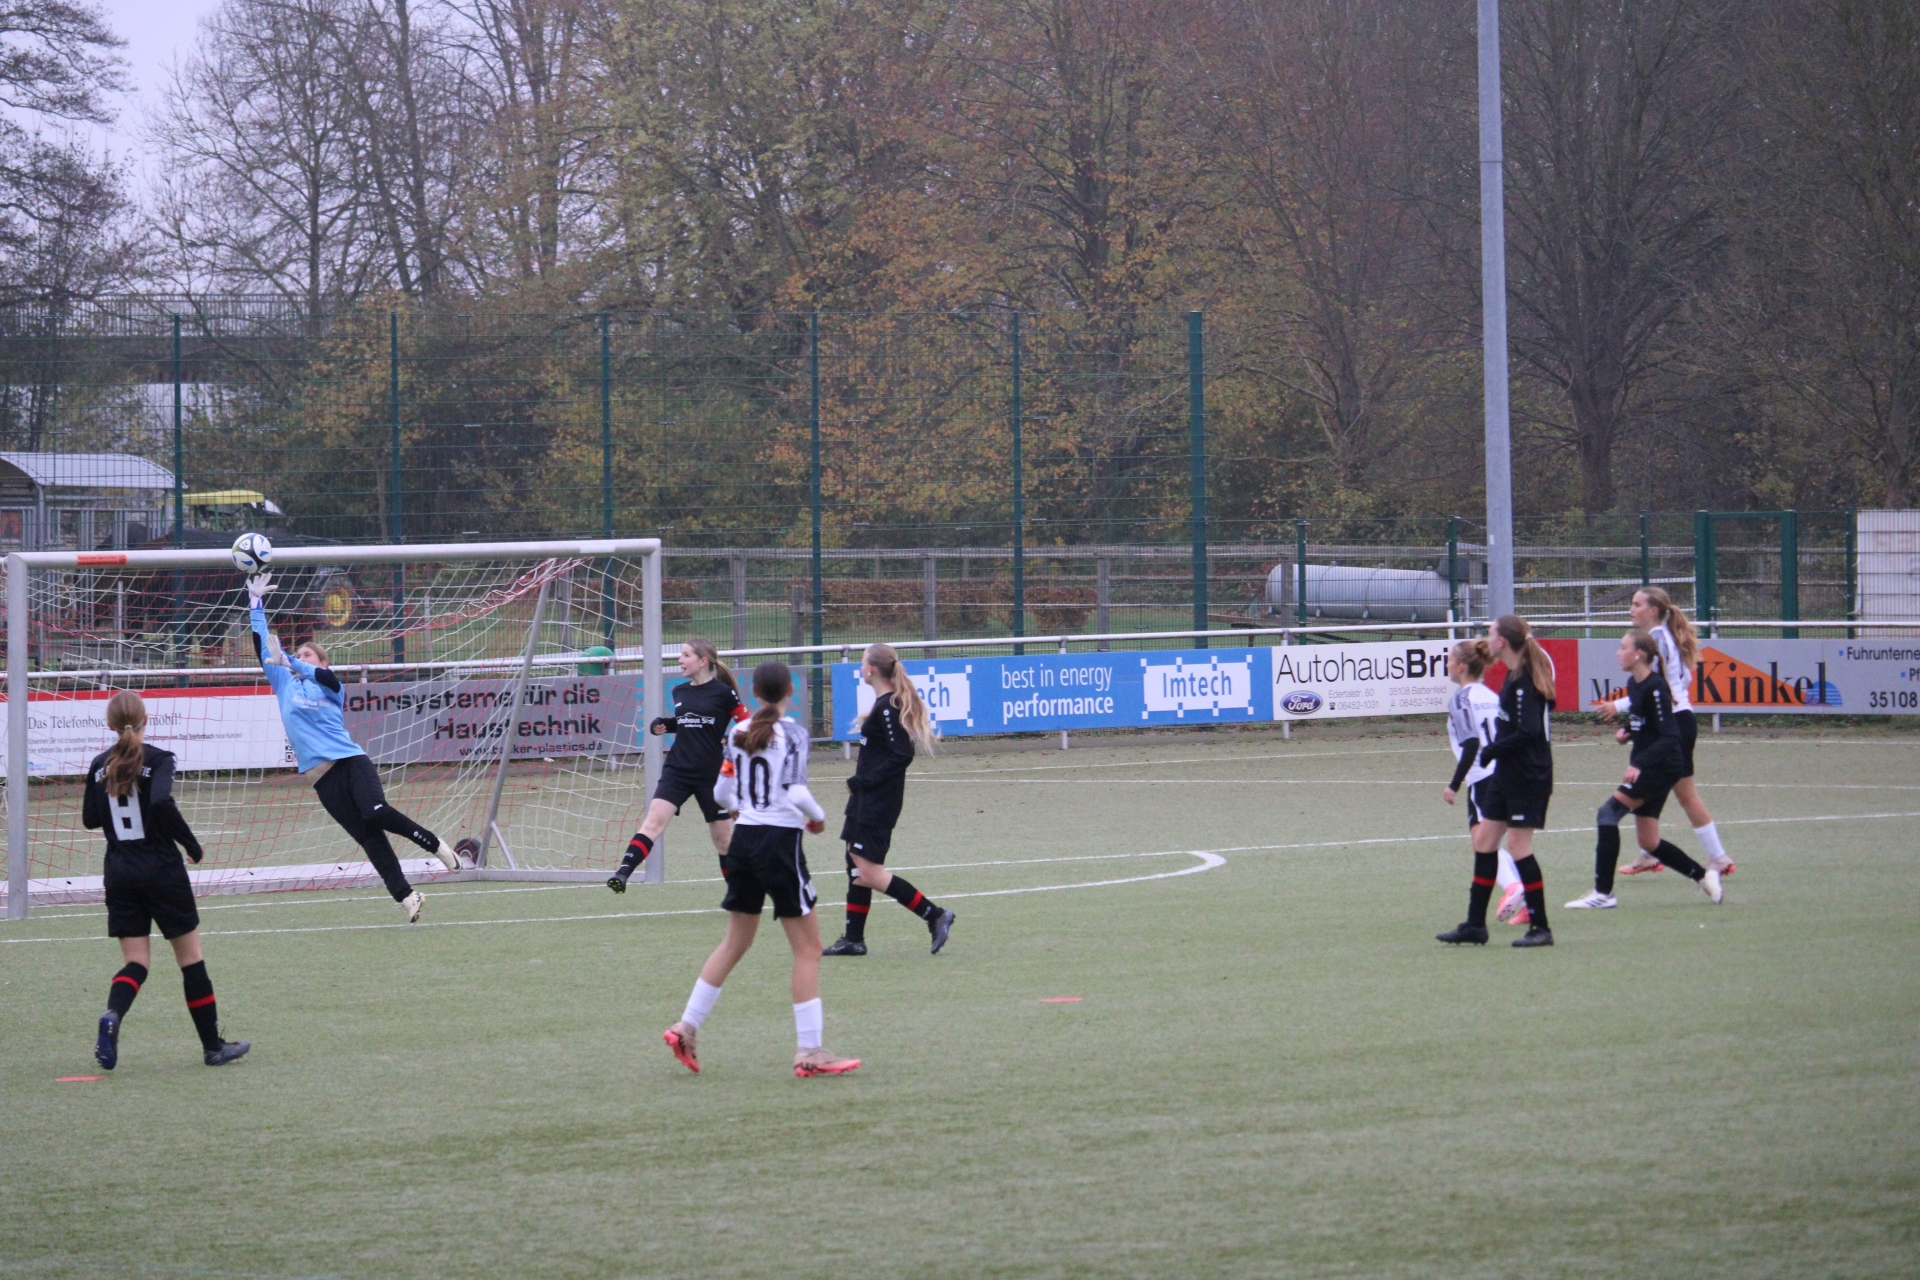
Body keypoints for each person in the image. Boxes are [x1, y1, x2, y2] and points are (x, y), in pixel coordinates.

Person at [662, 662, 860, 1078]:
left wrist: (745, 807)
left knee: (734, 942)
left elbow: (721, 792)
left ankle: (686, 1026)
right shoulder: (793, 733)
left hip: (743, 842)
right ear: (790, 691)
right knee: (807, 949)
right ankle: (810, 1051)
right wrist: (818, 818)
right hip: (778, 843)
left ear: (753, 692)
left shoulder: (739, 731)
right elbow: (796, 792)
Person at [247, 573, 455, 922]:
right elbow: (261, 644)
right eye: (298, 652)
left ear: (322, 662)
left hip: (350, 762)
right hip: (321, 779)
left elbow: (325, 677)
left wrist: (293, 661)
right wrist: (255, 603)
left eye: (308, 654)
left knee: (375, 811)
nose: (299, 655)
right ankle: (407, 896)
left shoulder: (329, 685)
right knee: (368, 837)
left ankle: (434, 844)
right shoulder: (284, 683)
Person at [85, 691, 250, 1069]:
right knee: (190, 960)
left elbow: (91, 819)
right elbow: (160, 801)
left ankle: (113, 1015)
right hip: (161, 870)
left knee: (136, 962)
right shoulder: (159, 759)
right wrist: (191, 843)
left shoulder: (98, 765)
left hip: (120, 873)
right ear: (146, 719)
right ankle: (213, 1047)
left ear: (109, 725)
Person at [1566, 631, 1724, 909]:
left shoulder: (1656, 687)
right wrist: (1628, 730)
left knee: (1607, 814)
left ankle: (1603, 894)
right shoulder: (1635, 683)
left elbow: (1670, 736)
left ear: (1639, 654)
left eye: (1623, 647)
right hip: (1655, 766)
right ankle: (1703, 876)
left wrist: (1638, 764)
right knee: (1649, 841)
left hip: (1660, 768)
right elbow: (1645, 719)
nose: (1618, 653)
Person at [822, 642, 953, 957]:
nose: (860, 667)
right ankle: (853, 939)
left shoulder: (888, 707)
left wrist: (862, 781)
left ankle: (934, 914)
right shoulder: (884, 704)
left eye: (862, 662)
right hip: (865, 800)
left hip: (878, 802)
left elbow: (901, 754)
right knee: (854, 864)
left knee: (869, 873)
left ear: (871, 669)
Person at [1438, 615, 1555, 949]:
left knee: (1518, 847)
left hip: (1527, 775)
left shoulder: (1524, 680)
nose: (1487, 639)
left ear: (1502, 641)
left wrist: (1491, 751)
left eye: (1491, 633)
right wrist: (1496, 753)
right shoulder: (1511, 677)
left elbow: (1530, 731)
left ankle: (1541, 927)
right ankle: (1475, 925)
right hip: (1505, 773)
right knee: (1485, 842)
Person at [1603, 588, 1735, 878]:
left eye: (1637, 604)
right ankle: (1649, 852)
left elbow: (1656, 687)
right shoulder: (1663, 637)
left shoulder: (1657, 639)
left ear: (1653, 611)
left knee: (1682, 794)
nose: (1631, 609)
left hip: (1673, 723)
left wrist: (1618, 705)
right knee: (1656, 790)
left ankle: (1718, 858)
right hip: (1675, 719)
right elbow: (1678, 681)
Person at [608, 639, 747, 891]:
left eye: (685, 655)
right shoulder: (679, 691)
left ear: (702, 661)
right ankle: (623, 873)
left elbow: (747, 725)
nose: (680, 660)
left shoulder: (724, 693)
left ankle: (739, 894)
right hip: (678, 770)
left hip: (712, 776)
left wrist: (732, 739)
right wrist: (663, 724)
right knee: (653, 823)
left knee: (724, 842)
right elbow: (687, 722)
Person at [1442, 639, 1528, 926]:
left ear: (1461, 666)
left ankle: (1514, 888)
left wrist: (1454, 784)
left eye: (1449, 660)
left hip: (1483, 778)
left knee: (1483, 843)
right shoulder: (1492, 696)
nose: (1446, 665)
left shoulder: (1461, 699)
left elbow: (1471, 744)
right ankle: (1528, 900)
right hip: (1507, 773)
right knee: (1505, 842)